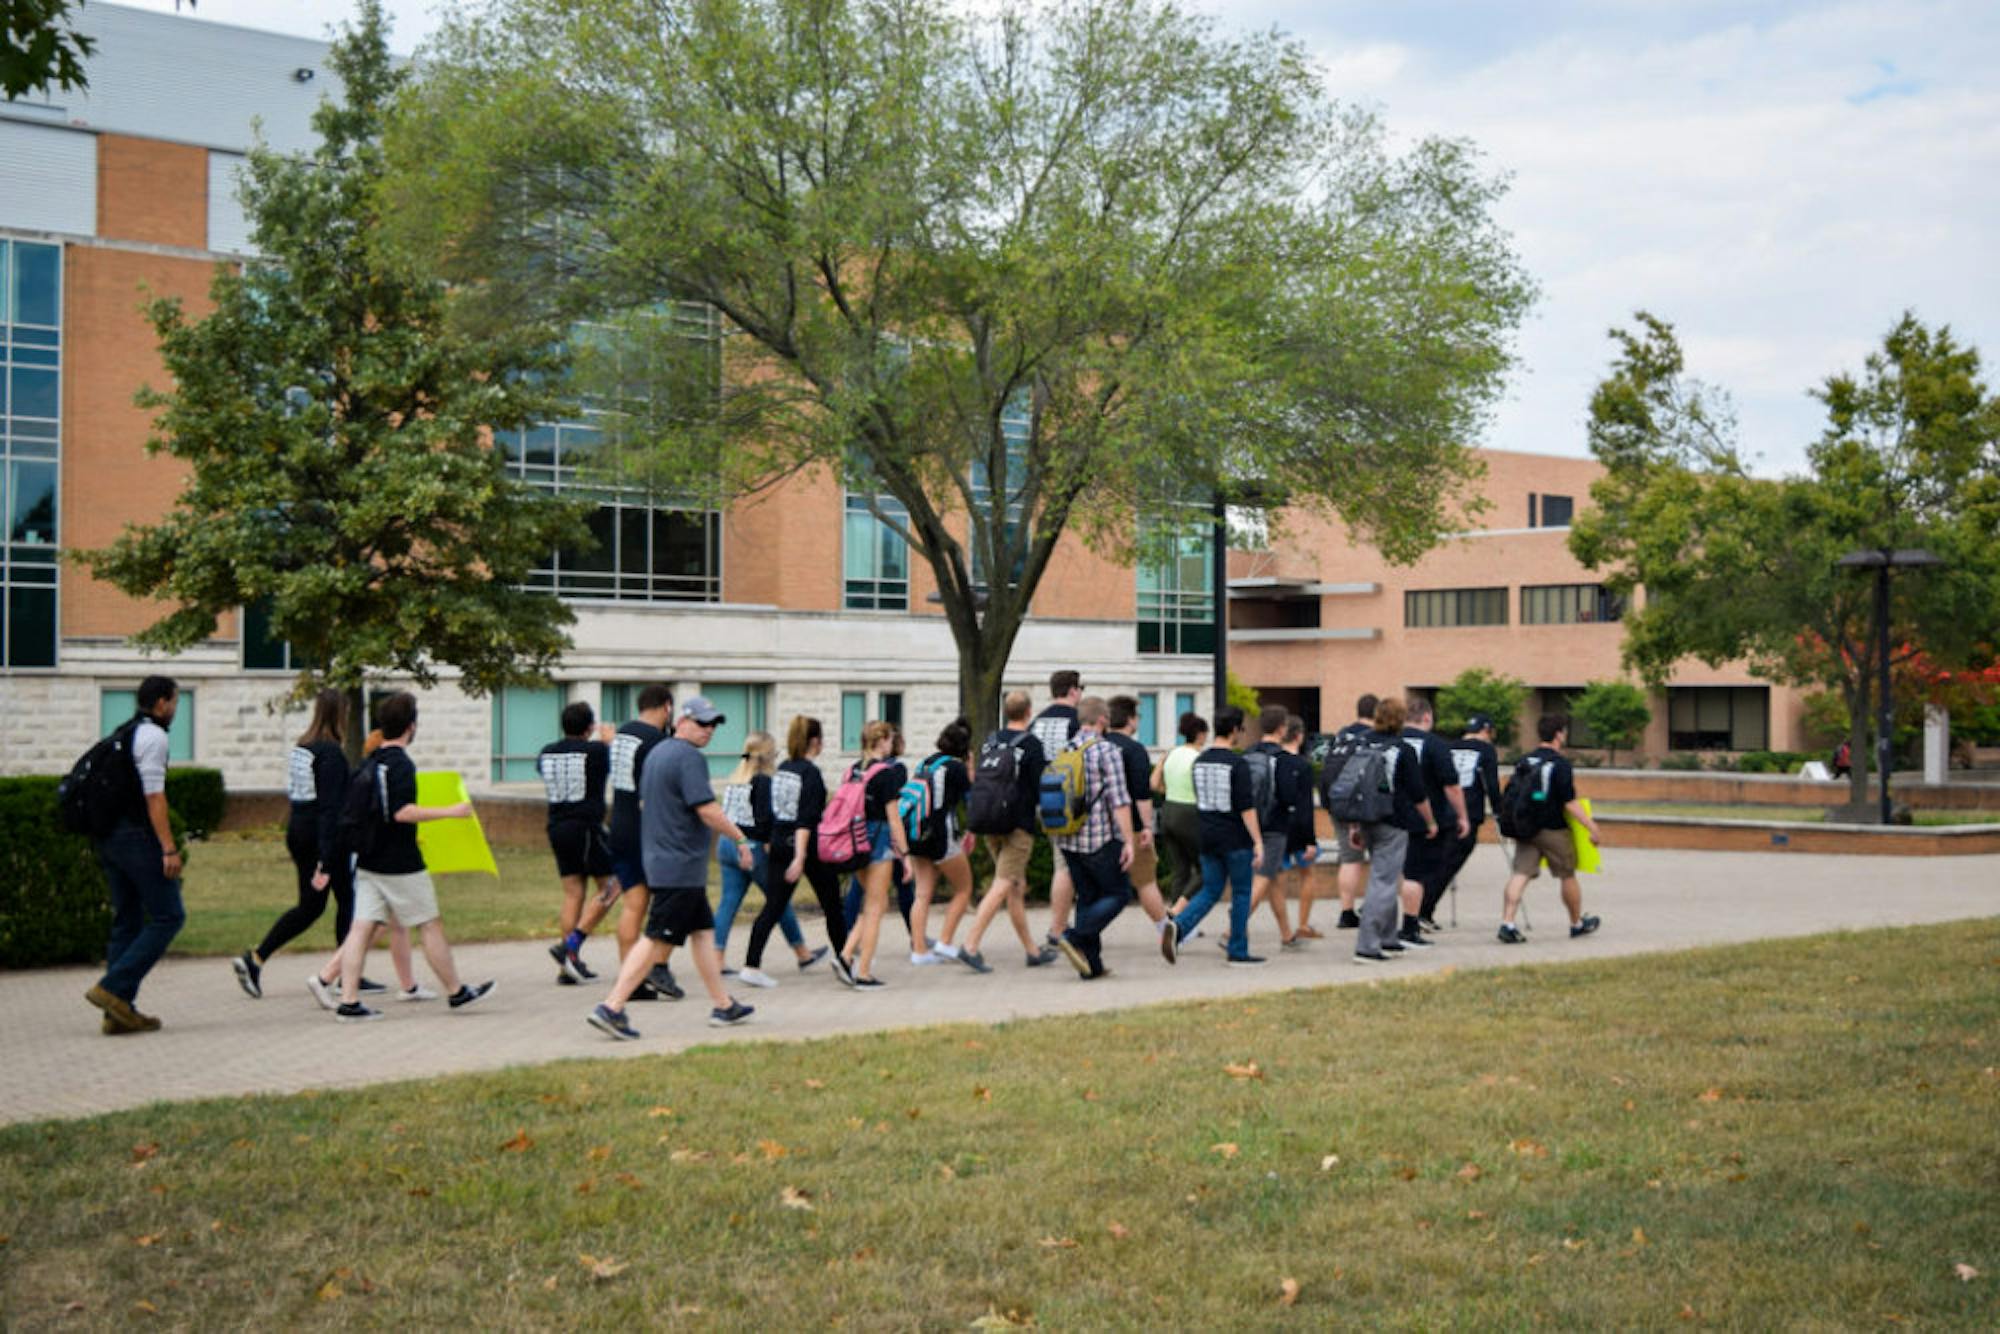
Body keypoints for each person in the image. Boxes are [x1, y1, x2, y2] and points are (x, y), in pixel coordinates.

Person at [234, 689, 421, 1005]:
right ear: (339, 714)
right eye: (346, 711)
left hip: (298, 829)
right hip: (323, 837)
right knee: (341, 903)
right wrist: (326, 858)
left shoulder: (303, 747)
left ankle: (268, 960)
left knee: (327, 903)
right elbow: (331, 808)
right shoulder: (331, 753)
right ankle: (271, 961)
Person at [587, 697, 758, 1038]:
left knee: (703, 933)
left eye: (713, 725)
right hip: (677, 865)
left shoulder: (658, 753)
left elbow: (648, 802)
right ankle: (612, 1006)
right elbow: (706, 808)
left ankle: (723, 1005)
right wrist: (740, 839)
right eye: (702, 723)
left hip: (671, 862)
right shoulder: (688, 758)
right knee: (653, 939)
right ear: (681, 720)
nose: (708, 731)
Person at [325, 691, 496, 1022]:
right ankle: (456, 991)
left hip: (368, 860)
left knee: (359, 930)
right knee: (430, 925)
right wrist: (451, 811)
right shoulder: (401, 764)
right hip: (400, 863)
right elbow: (402, 812)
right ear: (411, 727)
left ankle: (348, 1001)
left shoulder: (370, 761)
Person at [83, 676, 185, 1035]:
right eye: (173, 701)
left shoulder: (125, 732)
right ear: (160, 703)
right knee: (169, 915)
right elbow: (154, 796)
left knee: (126, 920)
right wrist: (168, 848)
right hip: (136, 837)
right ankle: (112, 988)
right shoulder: (154, 736)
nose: (175, 709)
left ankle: (118, 1013)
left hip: (109, 837)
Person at [742, 716, 857, 988]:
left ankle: (751, 964)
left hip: (780, 842)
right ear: (815, 742)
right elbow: (806, 819)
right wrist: (800, 856)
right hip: (806, 848)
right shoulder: (811, 774)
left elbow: (774, 810)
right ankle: (845, 960)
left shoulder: (783, 769)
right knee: (832, 906)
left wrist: (775, 842)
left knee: (773, 906)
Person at [956, 691, 1053, 973]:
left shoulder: (990, 741)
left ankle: (1032, 951)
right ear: (1029, 712)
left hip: (990, 821)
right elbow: (1040, 788)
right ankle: (970, 945)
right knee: (1003, 885)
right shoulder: (1033, 745)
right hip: (1018, 825)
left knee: (1014, 887)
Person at [714, 730, 821, 985]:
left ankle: (716, 958)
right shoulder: (763, 781)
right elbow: (764, 820)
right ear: (767, 754)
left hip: (726, 843)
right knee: (778, 900)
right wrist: (770, 842)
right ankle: (802, 953)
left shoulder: (735, 778)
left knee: (728, 902)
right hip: (752, 846)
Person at [1162, 705, 1265, 967]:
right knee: (1242, 893)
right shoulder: (1237, 764)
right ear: (1234, 730)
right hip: (1235, 840)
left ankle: (1180, 927)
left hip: (1207, 836)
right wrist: (1258, 842)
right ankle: (1238, 950)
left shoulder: (1200, 761)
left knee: (1210, 889)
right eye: (1241, 729)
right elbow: (1246, 808)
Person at [1343, 695, 1436, 964]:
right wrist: (1429, 822)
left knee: (1385, 875)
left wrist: (1353, 825)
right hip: (1393, 821)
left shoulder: (1362, 743)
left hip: (1365, 818)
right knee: (1383, 882)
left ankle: (1387, 938)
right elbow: (1418, 793)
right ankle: (1367, 945)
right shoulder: (1402, 749)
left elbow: (1353, 785)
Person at [1497, 714, 1605, 944]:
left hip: (1526, 827)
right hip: (1553, 829)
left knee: (1520, 874)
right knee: (1567, 874)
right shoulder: (1559, 764)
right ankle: (1576, 924)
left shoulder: (1525, 761)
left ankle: (1507, 922)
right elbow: (1569, 802)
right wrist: (1591, 827)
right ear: (1558, 734)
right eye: (1564, 732)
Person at [1051, 697, 1137, 979]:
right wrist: (1128, 841)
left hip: (1068, 839)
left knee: (1088, 898)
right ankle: (1074, 936)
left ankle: (1092, 966)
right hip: (1098, 839)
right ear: (1102, 720)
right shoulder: (1106, 750)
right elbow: (1119, 800)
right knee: (1118, 893)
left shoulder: (1065, 749)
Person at [606, 685, 682, 1001]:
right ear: (667, 707)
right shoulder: (657, 742)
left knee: (633, 903)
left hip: (619, 825)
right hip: (646, 832)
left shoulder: (624, 734)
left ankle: (631, 978)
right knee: (671, 900)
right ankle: (656, 966)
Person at [538, 701, 619, 985]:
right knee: (611, 886)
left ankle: (568, 967)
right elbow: (617, 763)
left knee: (573, 893)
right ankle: (569, 947)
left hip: (556, 826)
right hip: (586, 827)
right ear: (589, 727)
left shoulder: (546, 753)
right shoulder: (597, 750)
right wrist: (610, 740)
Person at [838, 721, 910, 988]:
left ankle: (846, 955)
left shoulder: (852, 770)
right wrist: (905, 855)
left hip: (854, 840)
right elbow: (894, 819)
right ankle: (863, 971)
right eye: (889, 739)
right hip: (878, 841)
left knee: (873, 905)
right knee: (875, 908)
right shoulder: (886, 774)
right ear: (881, 741)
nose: (891, 744)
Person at [1395, 696, 1468, 950]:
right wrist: (1462, 816)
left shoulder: (1391, 741)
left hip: (1391, 817)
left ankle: (1384, 924)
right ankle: (1410, 926)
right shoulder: (1436, 745)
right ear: (1427, 717)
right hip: (1426, 820)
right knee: (1418, 874)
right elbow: (1451, 786)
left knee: (1395, 872)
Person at [1102, 695, 1172, 940]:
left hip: (1099, 827)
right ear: (1131, 720)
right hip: (1129, 825)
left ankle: (1085, 932)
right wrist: (1147, 827)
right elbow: (1142, 795)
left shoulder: (1098, 745)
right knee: (1145, 881)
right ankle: (1166, 929)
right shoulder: (1135, 750)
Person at [907, 718, 975, 966]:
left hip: (916, 833)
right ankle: (946, 942)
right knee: (963, 889)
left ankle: (919, 950)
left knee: (922, 893)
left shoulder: (926, 763)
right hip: (941, 836)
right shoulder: (956, 769)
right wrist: (970, 771)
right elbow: (970, 800)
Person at [1030, 670, 1084, 958]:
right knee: (1066, 866)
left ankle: (1064, 924)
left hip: (1044, 798)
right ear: (1073, 691)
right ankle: (1058, 929)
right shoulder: (1076, 721)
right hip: (1070, 801)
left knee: (1061, 862)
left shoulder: (1037, 722)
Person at [1245, 704, 1304, 949]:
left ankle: (1287, 934)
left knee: (1275, 879)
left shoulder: (1248, 754)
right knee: (1263, 877)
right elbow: (1290, 797)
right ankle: (1233, 928)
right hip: (1275, 826)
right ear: (1282, 729)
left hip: (1251, 823)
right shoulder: (1283, 759)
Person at [1440, 715, 1503, 925]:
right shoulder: (1486, 751)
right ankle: (1424, 907)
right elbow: (1492, 786)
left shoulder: (1449, 747)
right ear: (1486, 730)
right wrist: (1499, 812)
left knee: (1441, 857)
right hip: (1470, 810)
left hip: (1442, 810)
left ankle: (1424, 909)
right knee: (1450, 860)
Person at [1330, 693, 1379, 929]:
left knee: (1349, 859)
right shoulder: (1370, 739)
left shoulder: (1341, 736)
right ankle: (1373, 906)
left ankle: (1346, 911)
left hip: (1337, 803)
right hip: (1362, 807)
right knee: (1380, 858)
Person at [1154, 711, 1207, 927]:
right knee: (1206, 868)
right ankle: (1179, 911)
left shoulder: (1172, 753)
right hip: (1189, 813)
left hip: (1168, 812)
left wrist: (1170, 791)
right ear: (1201, 734)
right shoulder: (1198, 758)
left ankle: (1175, 924)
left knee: (1180, 870)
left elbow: (1154, 784)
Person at [1279, 715, 1325, 939]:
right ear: (1299, 736)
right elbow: (1305, 805)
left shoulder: (1275, 760)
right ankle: (1303, 924)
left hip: (1277, 826)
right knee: (1308, 874)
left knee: (1275, 878)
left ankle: (1284, 927)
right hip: (1299, 827)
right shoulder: (1303, 766)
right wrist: (1311, 840)